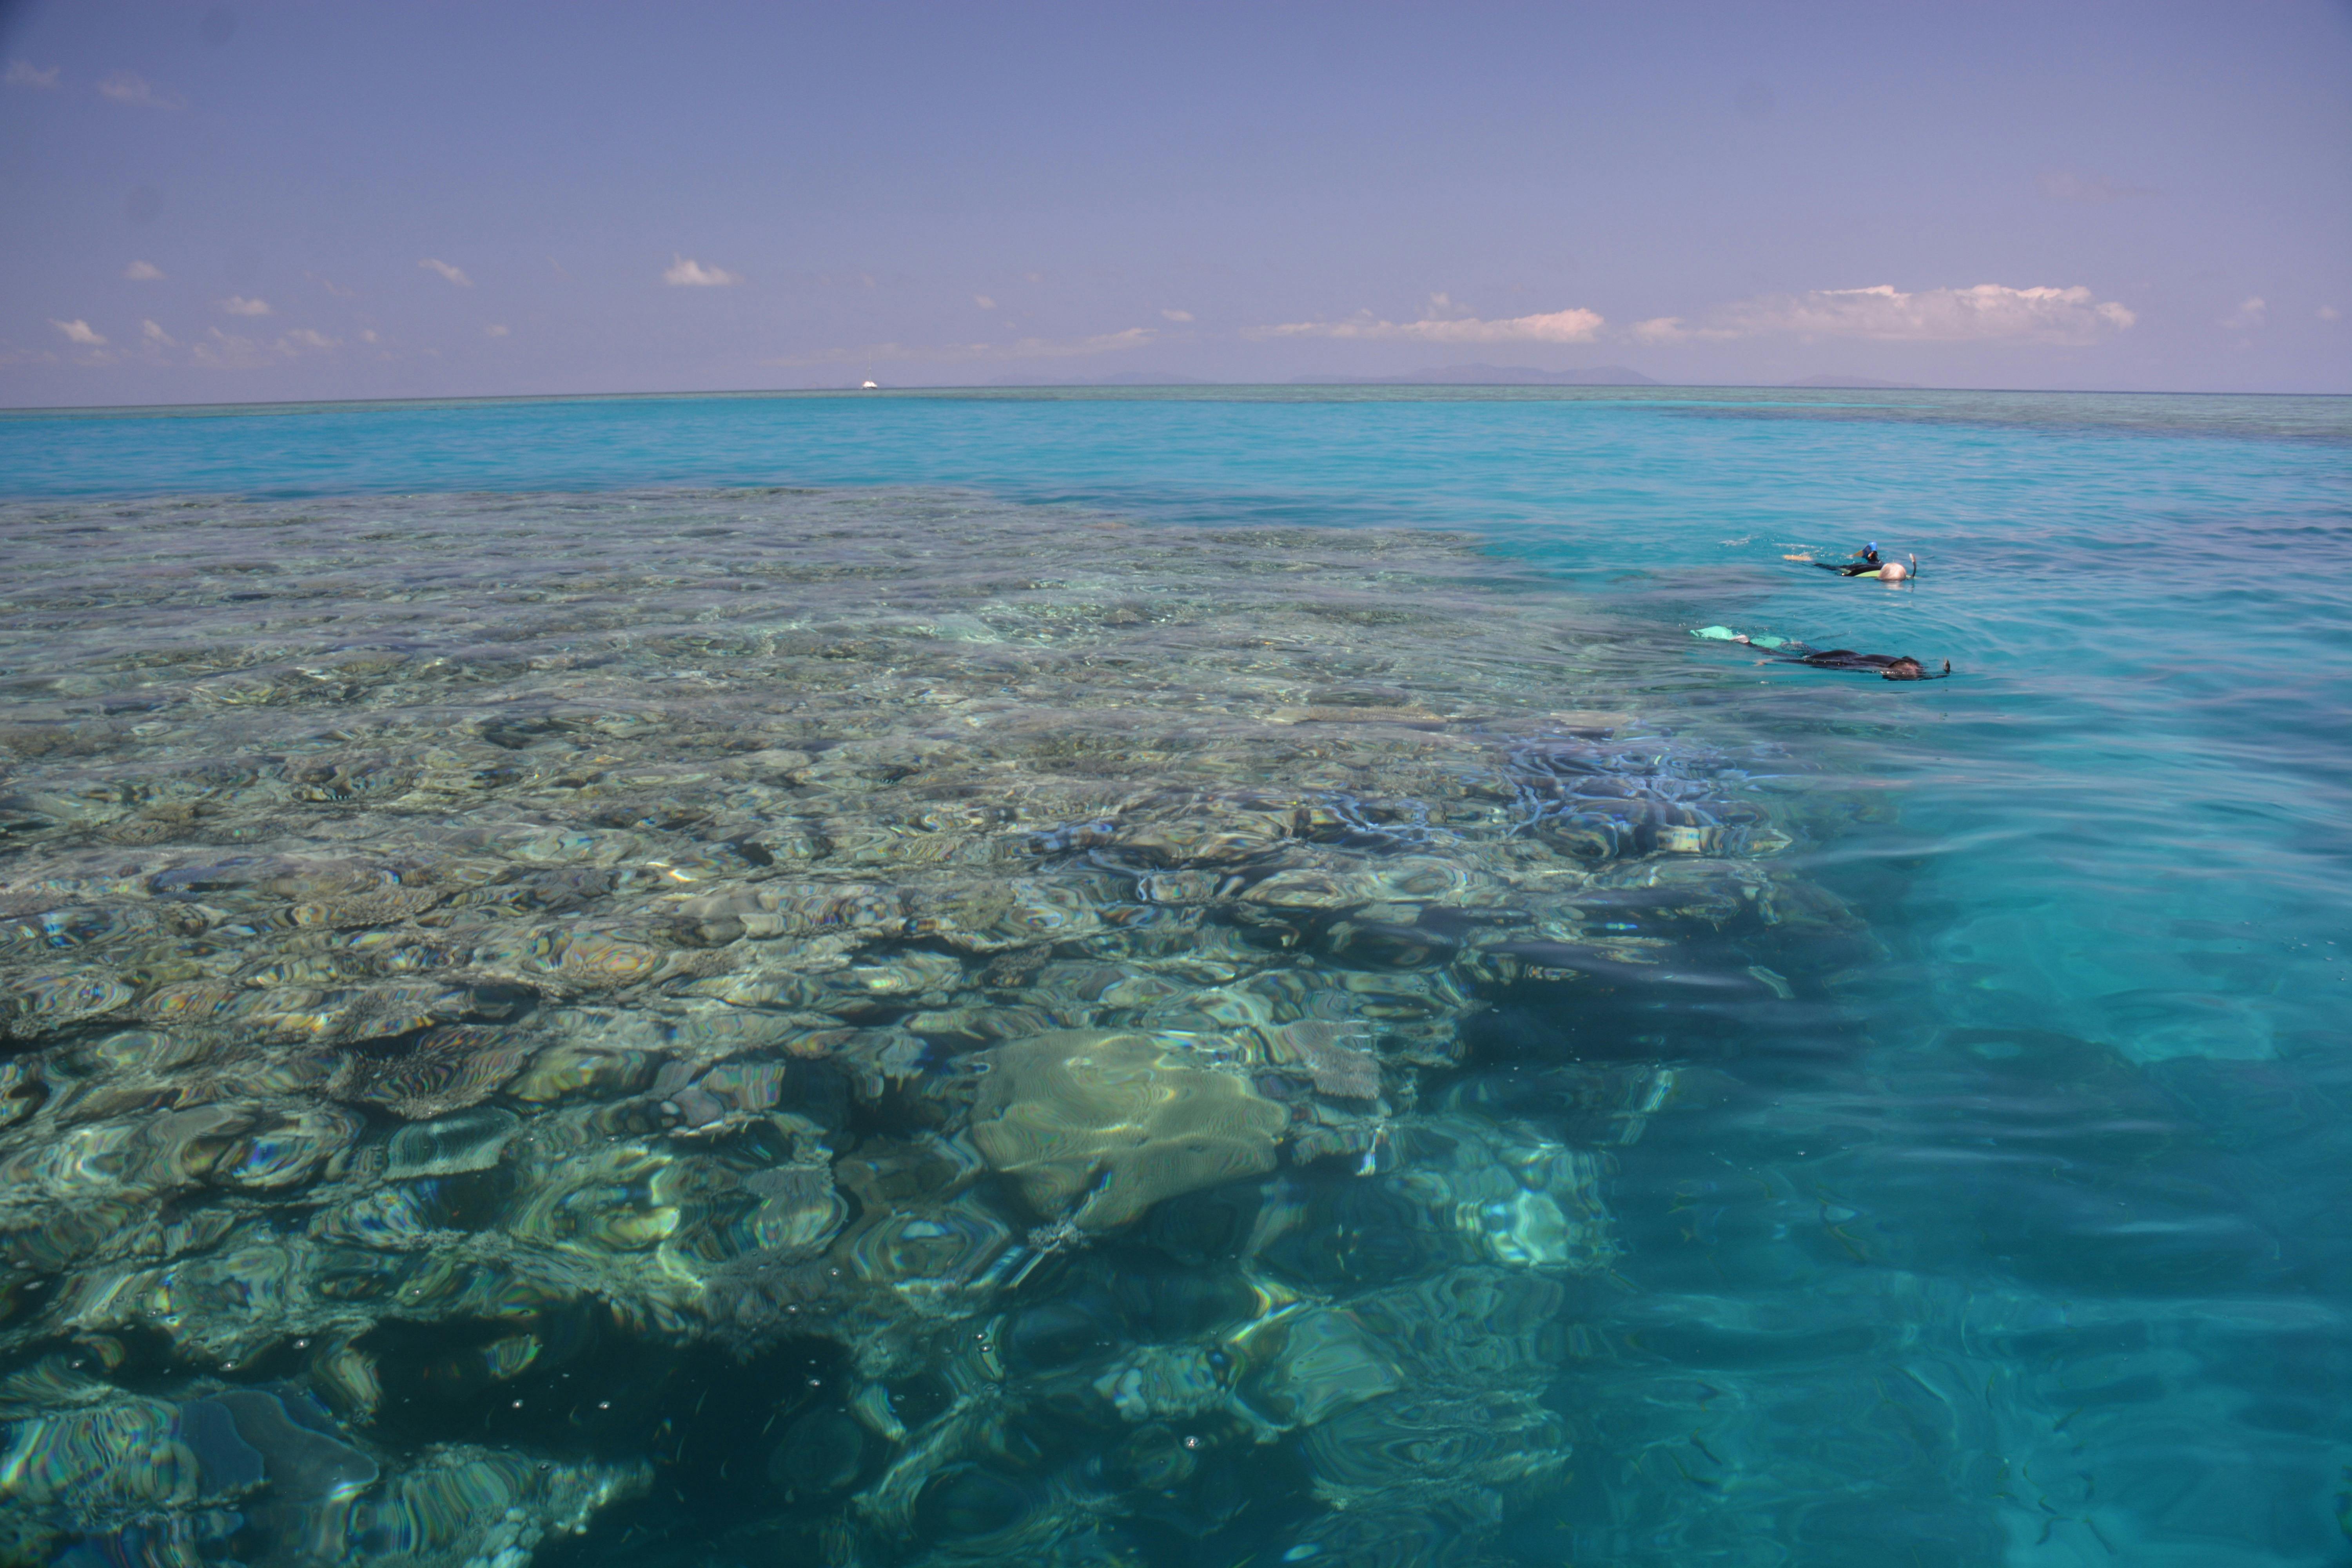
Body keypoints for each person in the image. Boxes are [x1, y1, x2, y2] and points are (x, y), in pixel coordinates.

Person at [1691, 625, 1949, 680]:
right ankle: (1747, 643)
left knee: (1810, 652)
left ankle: (1795, 643)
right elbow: (1826, 665)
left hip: (1847, 652)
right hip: (1841, 660)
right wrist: (1770, 661)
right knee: (1804, 661)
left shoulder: (1904, 663)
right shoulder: (1874, 669)